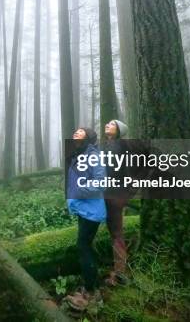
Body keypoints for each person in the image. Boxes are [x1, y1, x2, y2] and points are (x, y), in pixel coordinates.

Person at [65, 127, 107, 311]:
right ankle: (91, 285)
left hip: (92, 211)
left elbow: (101, 181)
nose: (76, 133)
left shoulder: (93, 155)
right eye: (75, 132)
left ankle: (91, 292)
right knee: (86, 246)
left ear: (88, 137)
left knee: (83, 246)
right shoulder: (79, 155)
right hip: (84, 209)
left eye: (81, 132)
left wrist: (80, 190)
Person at [101, 119, 130, 286]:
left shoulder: (118, 146)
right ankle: (119, 270)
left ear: (119, 130)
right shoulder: (112, 145)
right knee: (115, 232)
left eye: (112, 124)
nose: (107, 125)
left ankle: (120, 274)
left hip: (113, 196)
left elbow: (111, 171)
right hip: (113, 195)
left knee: (117, 233)